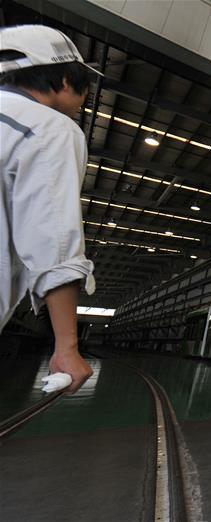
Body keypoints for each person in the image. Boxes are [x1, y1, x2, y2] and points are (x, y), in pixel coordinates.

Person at [1, 25, 102, 393]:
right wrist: (67, 347)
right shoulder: (48, 128)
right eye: (84, 88)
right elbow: (54, 241)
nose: (85, 99)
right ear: (63, 79)